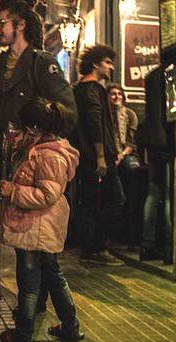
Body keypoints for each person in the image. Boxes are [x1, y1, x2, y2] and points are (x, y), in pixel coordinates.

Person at [0, 0, 77, 308]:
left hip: (25, 165)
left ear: (20, 24)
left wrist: (36, 133)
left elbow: (68, 113)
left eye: (2, 22)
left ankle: (33, 304)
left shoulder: (41, 63)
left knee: (27, 238)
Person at [0, 98, 83, 342]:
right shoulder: (41, 150)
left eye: (24, 128)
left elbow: (47, 195)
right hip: (36, 227)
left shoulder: (49, 155)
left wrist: (13, 191)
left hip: (36, 228)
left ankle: (23, 335)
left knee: (30, 282)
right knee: (52, 276)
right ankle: (70, 327)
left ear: (33, 128)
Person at [72, 44, 125, 266]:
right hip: (97, 155)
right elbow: (96, 124)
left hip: (84, 155)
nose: (111, 66)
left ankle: (88, 248)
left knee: (89, 200)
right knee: (117, 198)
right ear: (95, 64)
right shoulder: (93, 89)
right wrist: (102, 156)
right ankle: (98, 247)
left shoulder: (77, 89)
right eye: (107, 62)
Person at [137, 66, 174, 263]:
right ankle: (169, 251)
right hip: (167, 140)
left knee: (153, 194)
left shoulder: (151, 75)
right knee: (169, 195)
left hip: (151, 141)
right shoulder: (171, 71)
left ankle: (147, 246)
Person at [107, 83, 141, 249]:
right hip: (110, 156)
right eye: (113, 94)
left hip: (126, 154)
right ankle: (112, 237)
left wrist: (121, 155)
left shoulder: (130, 114)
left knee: (132, 173)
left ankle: (131, 238)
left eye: (119, 94)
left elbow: (131, 142)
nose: (117, 97)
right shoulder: (105, 116)